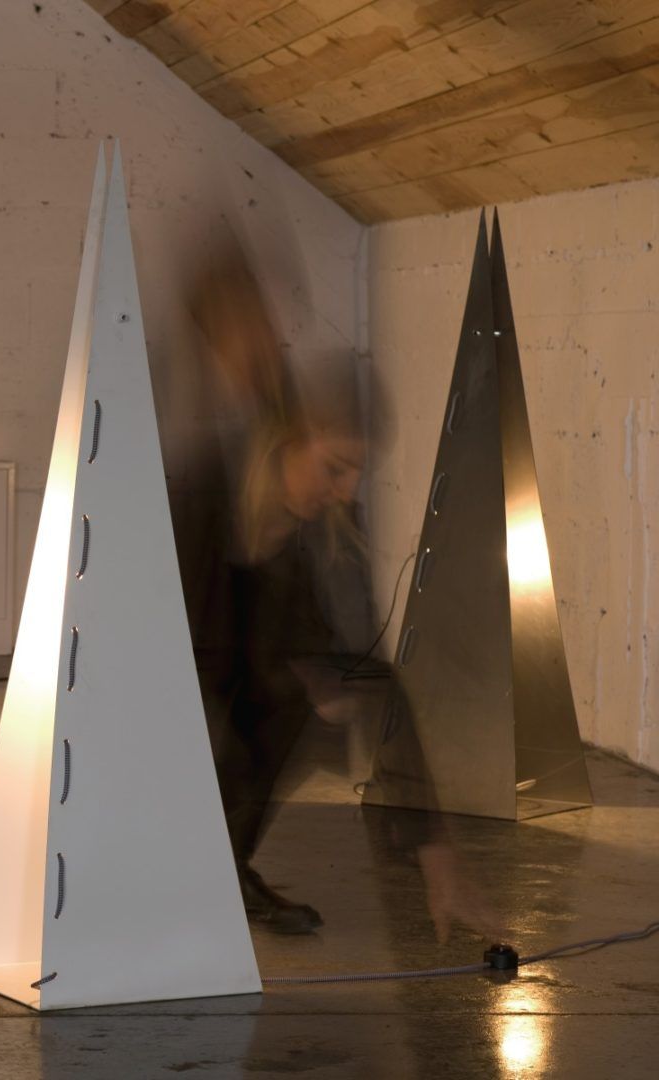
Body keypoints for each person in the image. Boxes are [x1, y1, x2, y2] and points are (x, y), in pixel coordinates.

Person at [174, 245, 495, 939]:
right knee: (247, 702)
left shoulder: (326, 535)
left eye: (357, 474)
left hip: (237, 682)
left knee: (305, 696)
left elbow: (375, 681)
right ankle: (185, 868)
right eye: (335, 468)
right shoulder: (197, 499)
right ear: (290, 444)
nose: (346, 491)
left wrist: (439, 860)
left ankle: (223, 864)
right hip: (157, 697)